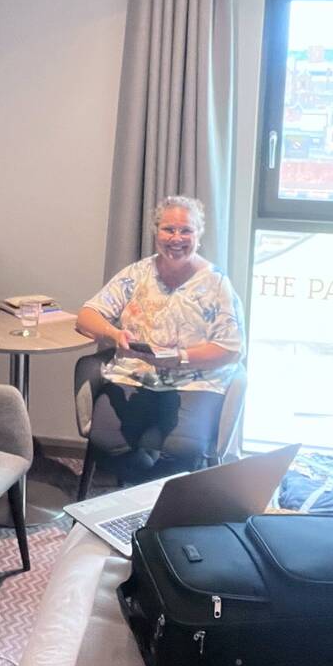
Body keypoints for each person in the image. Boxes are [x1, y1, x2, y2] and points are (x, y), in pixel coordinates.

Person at [75, 196, 244, 482]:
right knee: (105, 443)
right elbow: (86, 316)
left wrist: (180, 358)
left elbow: (231, 349)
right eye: (168, 229)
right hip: (134, 376)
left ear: (199, 235)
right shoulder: (136, 274)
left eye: (186, 230)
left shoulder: (216, 283)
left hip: (195, 381)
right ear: (156, 232)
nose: (176, 238)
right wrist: (115, 334)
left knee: (183, 449)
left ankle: (162, 495)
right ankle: (150, 486)